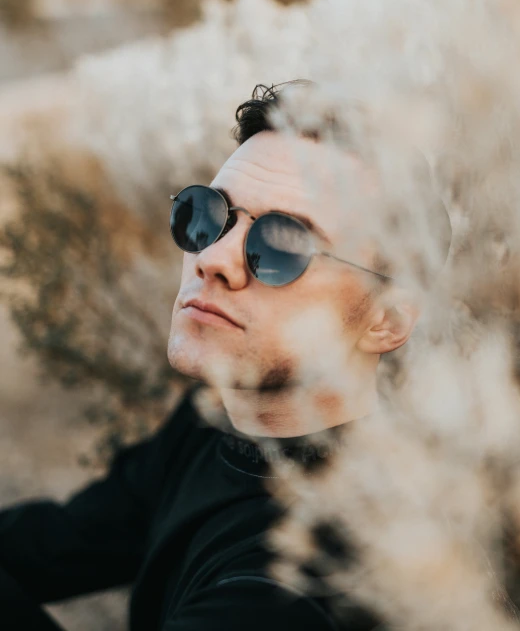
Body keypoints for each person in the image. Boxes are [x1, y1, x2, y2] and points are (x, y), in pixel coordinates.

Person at [0, 82, 451, 630]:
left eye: (284, 244)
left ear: (388, 321)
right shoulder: (216, 416)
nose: (212, 257)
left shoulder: (311, 577)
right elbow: (62, 542)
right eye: (209, 214)